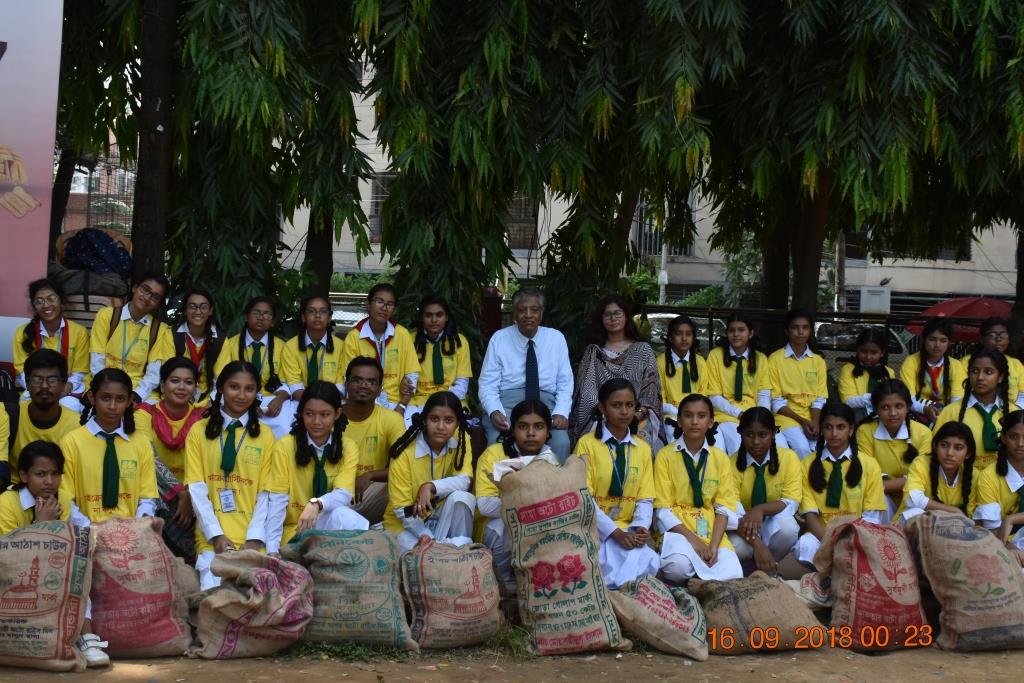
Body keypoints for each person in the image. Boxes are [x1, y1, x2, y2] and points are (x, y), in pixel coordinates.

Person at [0, 442, 107, 667]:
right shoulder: (7, 503)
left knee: (79, 575)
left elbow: (76, 537)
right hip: (11, 579)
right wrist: (42, 525)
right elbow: (9, 555)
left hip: (51, 575)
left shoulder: (63, 499)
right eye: (41, 474)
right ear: (24, 475)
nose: (49, 482)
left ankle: (86, 637)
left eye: (55, 474)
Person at [185, 361, 277, 589]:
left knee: (256, 598)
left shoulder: (265, 436)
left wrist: (254, 539)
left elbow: (266, 492)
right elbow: (196, 489)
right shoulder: (199, 431)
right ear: (221, 389)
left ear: (257, 393)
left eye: (249, 389)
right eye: (234, 387)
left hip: (252, 538)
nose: (241, 395)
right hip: (212, 538)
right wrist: (216, 535)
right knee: (214, 595)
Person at [573, 378, 659, 588]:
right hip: (597, 528)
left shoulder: (643, 448)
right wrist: (614, 533)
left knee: (652, 561)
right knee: (605, 563)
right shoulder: (587, 444)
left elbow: (645, 498)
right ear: (602, 408)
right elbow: (585, 498)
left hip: (628, 528)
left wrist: (639, 527)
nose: (624, 412)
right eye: (616, 405)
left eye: (630, 405)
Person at [266, 381, 368, 554]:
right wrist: (272, 550)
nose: (316, 421)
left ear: (337, 414)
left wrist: (316, 504)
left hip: (325, 522)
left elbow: (343, 494)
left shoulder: (348, 447)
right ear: (301, 413)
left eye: (324, 414)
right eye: (309, 414)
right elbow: (277, 500)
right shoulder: (285, 446)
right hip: (295, 529)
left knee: (346, 516)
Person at [655, 394, 743, 583]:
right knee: (676, 567)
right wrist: (695, 543)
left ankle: (698, 578)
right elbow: (663, 509)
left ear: (711, 422)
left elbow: (724, 507)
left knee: (732, 573)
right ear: (679, 421)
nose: (694, 422)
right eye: (688, 416)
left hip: (709, 527)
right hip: (679, 528)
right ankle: (693, 575)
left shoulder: (720, 458)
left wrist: (713, 545)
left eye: (701, 416)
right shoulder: (665, 456)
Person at [479, 287, 573, 460]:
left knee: (561, 442)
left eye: (534, 310)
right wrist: (494, 411)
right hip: (507, 403)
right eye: (522, 310)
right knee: (498, 441)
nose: (528, 315)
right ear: (514, 313)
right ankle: (500, 486)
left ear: (541, 313)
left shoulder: (556, 338)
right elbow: (487, 383)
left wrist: (561, 412)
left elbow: (565, 382)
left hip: (547, 404)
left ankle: (553, 487)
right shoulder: (499, 338)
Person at [475, 399, 557, 593]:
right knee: (503, 525)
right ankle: (504, 581)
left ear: (547, 432)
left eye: (538, 427)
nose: (530, 433)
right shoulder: (493, 454)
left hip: (535, 523)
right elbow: (485, 505)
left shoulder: (550, 459)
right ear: (512, 430)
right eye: (523, 427)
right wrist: (525, 503)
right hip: (493, 528)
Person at [58, 369, 159, 524]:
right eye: (105, 398)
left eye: (120, 399)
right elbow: (66, 500)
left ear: (129, 401)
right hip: (86, 531)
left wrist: (136, 526)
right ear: (92, 397)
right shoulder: (71, 442)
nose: (112, 406)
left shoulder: (141, 443)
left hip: (130, 532)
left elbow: (147, 499)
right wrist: (89, 527)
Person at [795, 402, 887, 564]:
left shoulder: (869, 464)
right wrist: (831, 543)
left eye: (841, 427)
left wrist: (849, 542)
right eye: (828, 427)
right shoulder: (807, 464)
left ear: (851, 430)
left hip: (858, 535)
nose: (834, 433)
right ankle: (826, 576)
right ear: (822, 429)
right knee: (804, 546)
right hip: (822, 535)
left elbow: (871, 517)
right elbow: (810, 515)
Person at [384, 391, 475, 552]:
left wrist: (430, 486)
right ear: (425, 420)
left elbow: (465, 480)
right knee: (427, 553)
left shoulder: (462, 439)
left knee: (463, 497)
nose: (441, 427)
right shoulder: (404, 452)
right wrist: (427, 538)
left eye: (448, 420)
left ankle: (459, 552)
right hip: (405, 525)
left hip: (438, 515)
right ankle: (452, 549)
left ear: (457, 423)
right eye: (434, 419)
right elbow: (401, 509)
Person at [135, 358, 206, 561]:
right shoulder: (144, 414)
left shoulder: (204, 417)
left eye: (189, 382)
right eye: (175, 381)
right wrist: (181, 493)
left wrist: (191, 494)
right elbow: (149, 459)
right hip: (157, 487)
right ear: (163, 385)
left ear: (195, 388)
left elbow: (204, 463)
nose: (182, 387)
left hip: (193, 488)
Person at [571, 295, 662, 447]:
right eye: (608, 314)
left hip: (636, 415)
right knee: (591, 443)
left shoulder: (643, 350)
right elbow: (587, 394)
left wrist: (634, 415)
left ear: (626, 316)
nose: (613, 318)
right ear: (601, 319)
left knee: (645, 443)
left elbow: (650, 394)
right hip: (600, 416)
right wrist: (607, 414)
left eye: (618, 313)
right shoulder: (593, 352)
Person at [727, 408, 802, 575]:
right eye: (749, 435)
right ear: (740, 433)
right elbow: (732, 509)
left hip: (771, 521)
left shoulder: (788, 458)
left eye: (763, 435)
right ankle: (754, 567)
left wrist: (759, 510)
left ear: (773, 434)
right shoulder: (731, 463)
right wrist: (758, 545)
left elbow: (791, 500)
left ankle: (767, 569)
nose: (756, 442)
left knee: (788, 529)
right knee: (735, 548)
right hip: (743, 527)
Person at [341, 357, 408, 525]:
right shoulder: (330, 416)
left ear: (379, 389)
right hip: (332, 492)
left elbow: (404, 467)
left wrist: (370, 475)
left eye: (371, 382)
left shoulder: (392, 420)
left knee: (397, 484)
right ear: (346, 383)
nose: (364, 385)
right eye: (357, 380)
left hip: (367, 492)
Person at [89, 272, 173, 403]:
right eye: (145, 289)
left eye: (155, 297)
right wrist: (105, 388)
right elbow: (96, 358)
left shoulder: (160, 330)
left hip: (137, 390)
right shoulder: (107, 315)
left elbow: (154, 373)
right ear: (135, 288)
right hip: (103, 382)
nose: (147, 297)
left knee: (148, 418)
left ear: (158, 303)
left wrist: (137, 395)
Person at [214, 297, 292, 437]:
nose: (261, 317)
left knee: (285, 429)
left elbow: (287, 380)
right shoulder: (231, 344)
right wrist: (248, 402)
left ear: (273, 321)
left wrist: (280, 399)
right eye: (256, 312)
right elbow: (221, 379)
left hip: (270, 401)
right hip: (238, 398)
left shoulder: (282, 347)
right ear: (246, 316)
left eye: (267, 314)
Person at [855, 379, 932, 517]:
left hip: (913, 498)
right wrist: (903, 483)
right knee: (876, 500)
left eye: (899, 406)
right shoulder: (865, 431)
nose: (893, 413)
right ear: (876, 408)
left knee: (917, 511)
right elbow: (866, 477)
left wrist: (887, 486)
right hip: (881, 497)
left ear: (908, 407)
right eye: (885, 407)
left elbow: (924, 478)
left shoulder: (923, 433)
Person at [340, 284, 420, 415]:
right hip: (365, 402)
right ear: (368, 304)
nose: (384, 308)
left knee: (412, 432)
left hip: (398, 401)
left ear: (394, 309)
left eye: (390, 304)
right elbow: (348, 378)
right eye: (379, 302)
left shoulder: (402, 334)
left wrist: (402, 407)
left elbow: (412, 375)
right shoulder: (354, 337)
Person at [933, 348, 1015, 473]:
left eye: (988, 372)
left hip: (1001, 485)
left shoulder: (1013, 413)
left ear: (1000, 377)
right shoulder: (951, 412)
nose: (980, 377)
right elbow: (937, 450)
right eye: (975, 371)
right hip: (963, 484)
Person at [13, 278, 89, 409]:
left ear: (61, 301)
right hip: (34, 389)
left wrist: (63, 388)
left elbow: (80, 372)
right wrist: (41, 389)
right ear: (34, 306)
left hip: (66, 391)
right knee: (25, 405)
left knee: (71, 406)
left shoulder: (79, 332)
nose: (46, 305)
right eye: (39, 301)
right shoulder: (23, 333)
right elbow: (21, 373)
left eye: (51, 298)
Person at [7, 350, 81, 485]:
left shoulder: (77, 426)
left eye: (52, 380)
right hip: (15, 493)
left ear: (64, 385)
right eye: (37, 379)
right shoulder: (11, 416)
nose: (44, 386)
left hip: (57, 495)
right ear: (27, 384)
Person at [705, 313, 771, 455]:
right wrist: (739, 414)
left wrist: (761, 416)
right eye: (731, 330)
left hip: (754, 415)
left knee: (774, 446)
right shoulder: (716, 356)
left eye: (741, 330)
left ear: (751, 333)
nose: (736, 334)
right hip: (725, 415)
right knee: (737, 445)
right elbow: (714, 396)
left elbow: (763, 394)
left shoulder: (760, 358)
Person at [768, 309, 828, 459]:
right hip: (786, 418)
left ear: (810, 330)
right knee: (802, 448)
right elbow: (775, 401)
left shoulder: (818, 361)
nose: (800, 332)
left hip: (812, 418)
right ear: (787, 331)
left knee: (823, 448)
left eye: (805, 327)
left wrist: (815, 422)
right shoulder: (775, 359)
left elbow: (819, 398)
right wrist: (802, 421)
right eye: (795, 327)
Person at [897, 422, 977, 523]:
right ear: (935, 447)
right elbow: (912, 499)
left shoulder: (974, 475)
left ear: (968, 453)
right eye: (944, 445)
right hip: (909, 527)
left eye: (958, 448)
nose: (949, 453)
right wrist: (954, 511)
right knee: (916, 512)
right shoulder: (922, 463)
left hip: (951, 531)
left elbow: (970, 517)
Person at [409, 294, 472, 421]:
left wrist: (442, 400)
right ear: (421, 317)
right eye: (428, 315)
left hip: (452, 399)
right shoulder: (409, 340)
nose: (434, 320)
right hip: (418, 401)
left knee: (456, 435)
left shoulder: (460, 341)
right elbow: (408, 381)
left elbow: (462, 384)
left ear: (447, 317)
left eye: (439, 315)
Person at [974, 411, 1024, 565]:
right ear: (1003, 438)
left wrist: (1012, 519)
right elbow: (992, 529)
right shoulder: (988, 477)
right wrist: (1010, 548)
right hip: (1003, 542)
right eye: (1013, 437)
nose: (1020, 443)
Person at [899, 318, 966, 424]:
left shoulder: (956, 365)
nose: (937, 345)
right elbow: (908, 399)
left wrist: (944, 416)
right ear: (924, 339)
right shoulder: (911, 362)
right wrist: (925, 409)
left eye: (943, 340)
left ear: (949, 343)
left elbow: (957, 401)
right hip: (917, 413)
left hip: (946, 414)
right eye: (932, 339)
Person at [163, 286, 223, 401]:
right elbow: (168, 372)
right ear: (185, 310)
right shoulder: (171, 335)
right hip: (177, 394)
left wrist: (210, 402)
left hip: (208, 397)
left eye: (203, 307)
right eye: (192, 307)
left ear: (210, 311)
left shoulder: (220, 339)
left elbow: (220, 379)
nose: (198, 311)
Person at [282, 294, 345, 401]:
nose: (317, 315)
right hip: (301, 400)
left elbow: (340, 383)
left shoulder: (341, 346)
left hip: (332, 401)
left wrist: (325, 402)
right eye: (311, 311)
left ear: (329, 318)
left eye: (323, 311)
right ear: (303, 317)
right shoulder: (290, 347)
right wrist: (312, 403)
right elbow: (294, 385)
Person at [658, 315, 706, 435]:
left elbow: (703, 393)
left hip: (697, 415)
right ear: (670, 337)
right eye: (679, 334)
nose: (684, 338)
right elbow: (659, 399)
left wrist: (694, 413)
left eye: (689, 334)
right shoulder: (660, 362)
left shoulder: (700, 362)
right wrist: (680, 412)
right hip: (671, 416)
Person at [838, 328, 895, 421]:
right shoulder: (848, 370)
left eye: (874, 352)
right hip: (857, 417)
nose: (868, 357)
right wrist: (876, 397)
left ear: (882, 353)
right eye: (864, 351)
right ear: (857, 350)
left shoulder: (888, 372)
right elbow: (847, 401)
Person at [979, 317, 1024, 409]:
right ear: (982, 339)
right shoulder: (966, 363)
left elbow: (1022, 395)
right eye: (992, 335)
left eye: (1003, 335)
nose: (999, 339)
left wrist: (1015, 412)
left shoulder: (1016, 364)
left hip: (1010, 415)